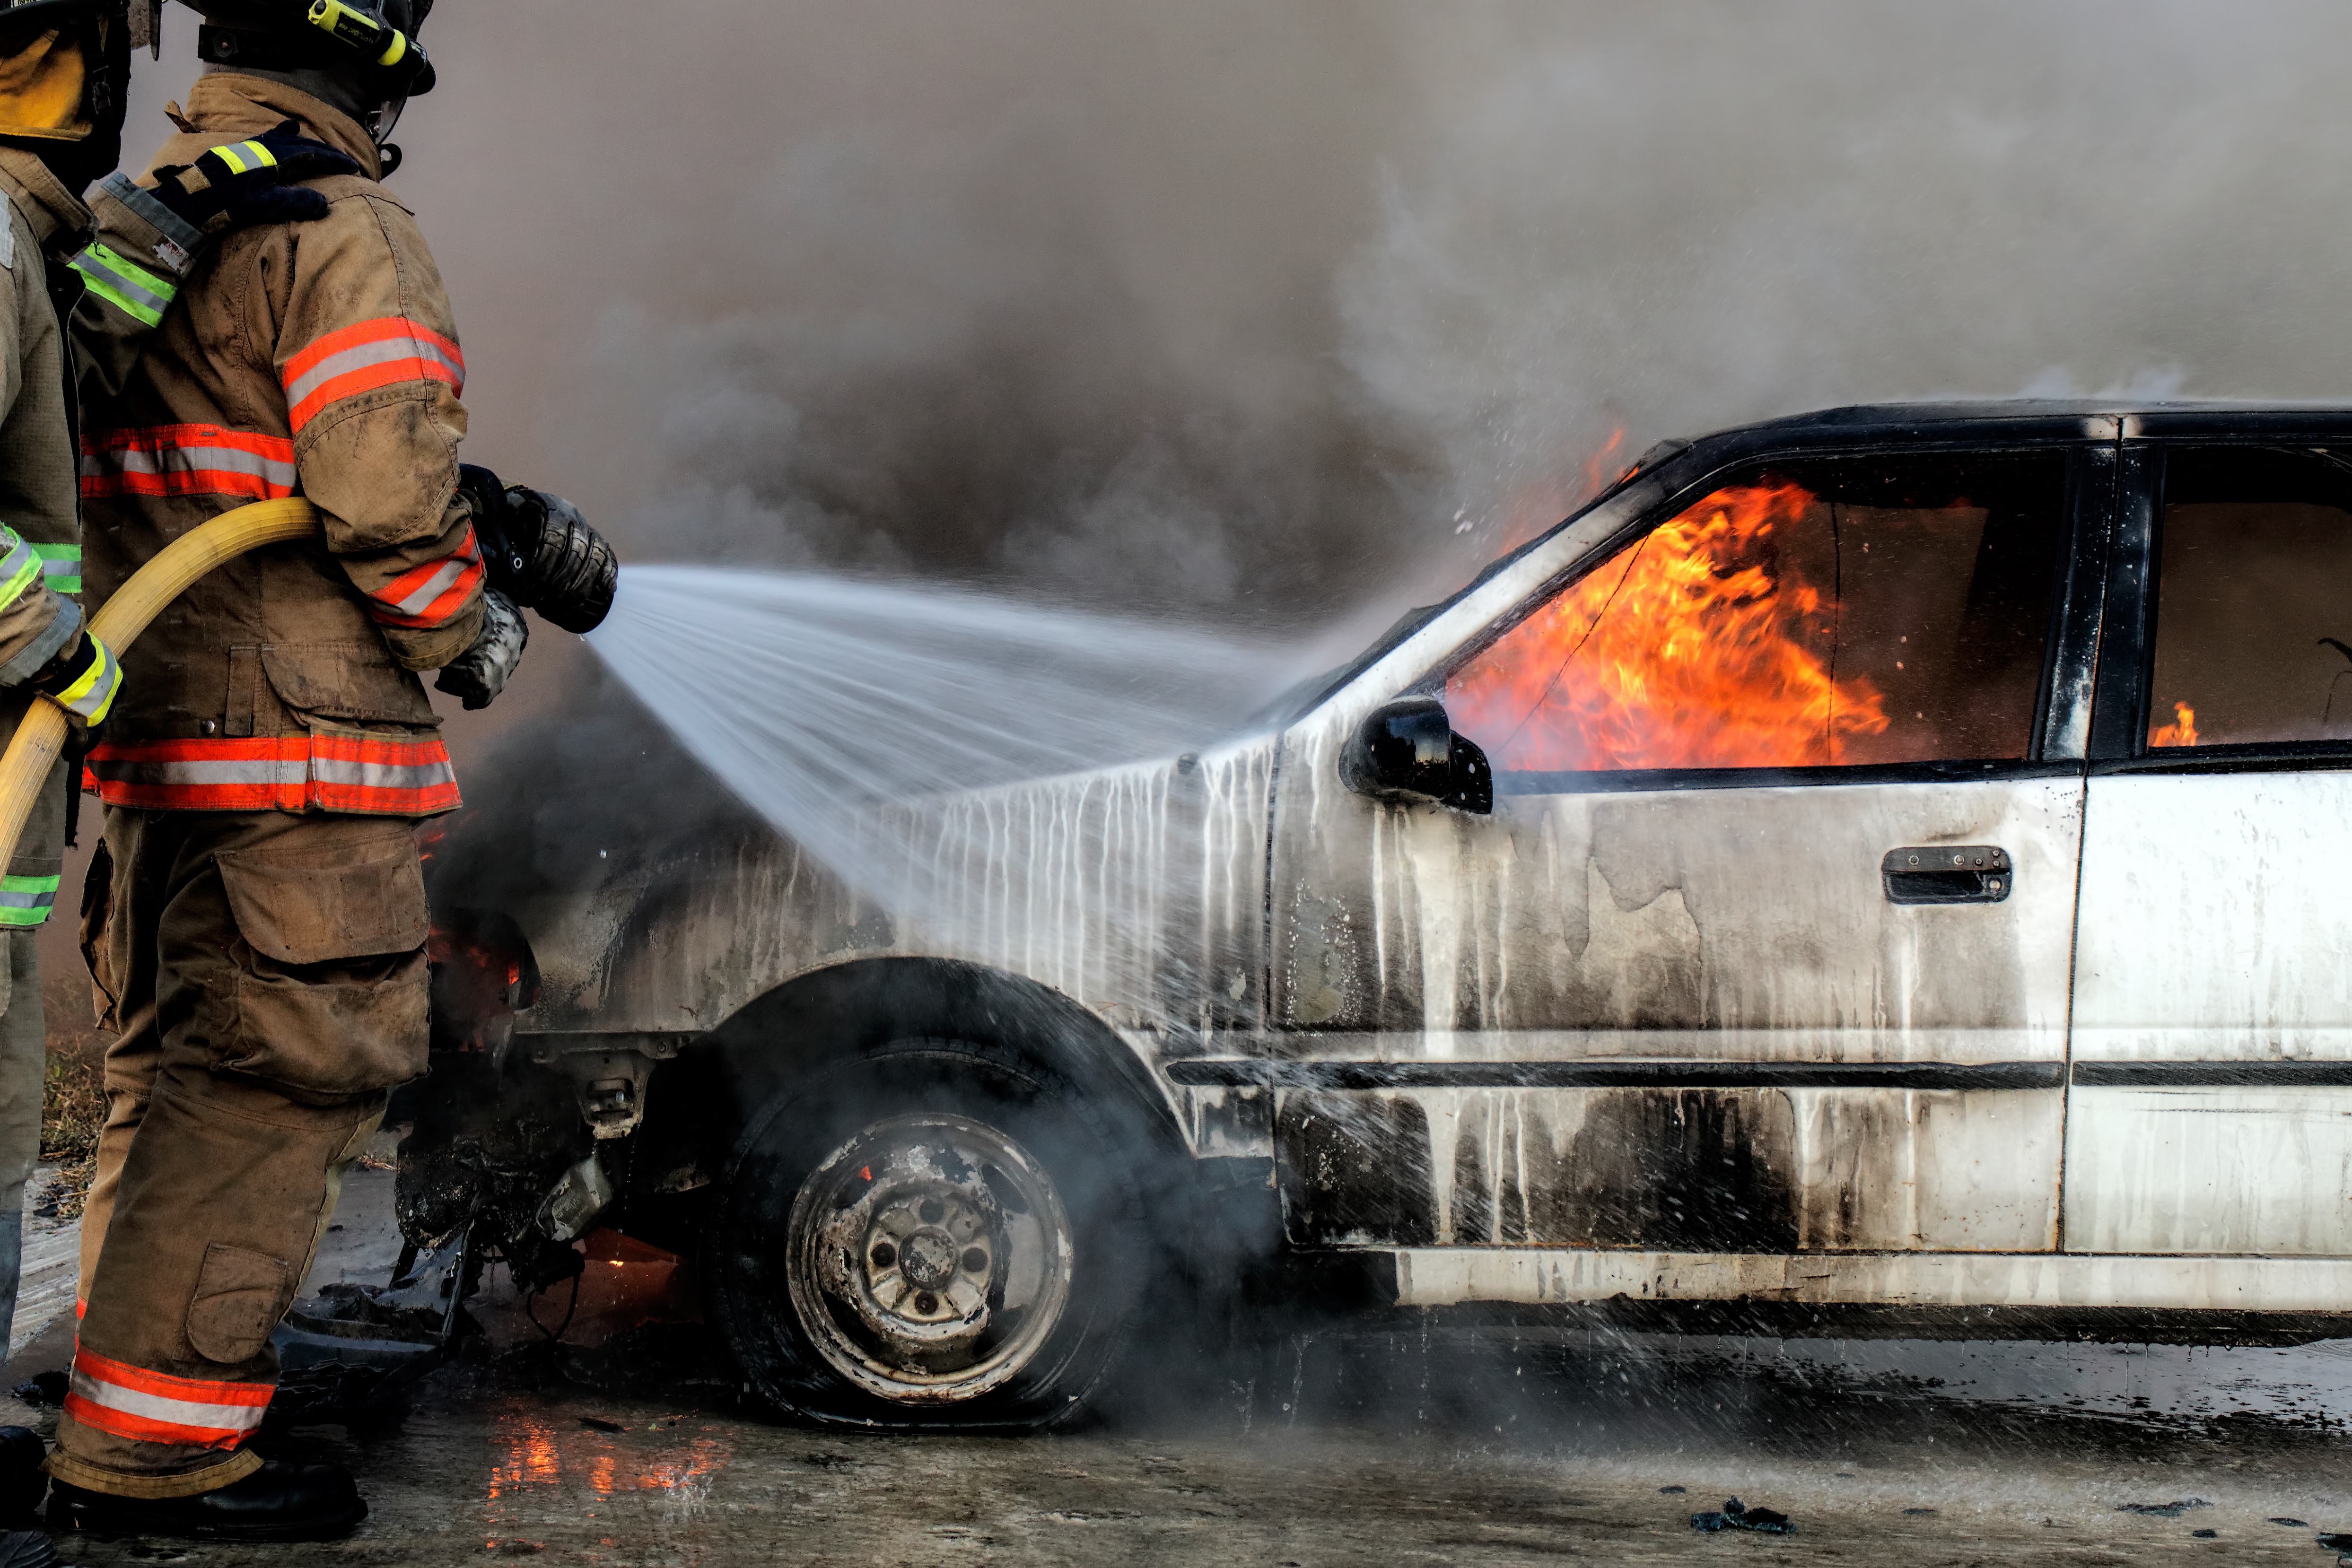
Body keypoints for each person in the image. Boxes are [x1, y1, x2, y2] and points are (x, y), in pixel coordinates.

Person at [47, 0, 611, 1541]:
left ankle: (122, 1391)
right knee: (268, 1097)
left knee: (168, 1086)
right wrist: (470, 623)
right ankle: (157, 1449)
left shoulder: (130, 220)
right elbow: (377, 498)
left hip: (167, 744)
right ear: (377, 52)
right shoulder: (340, 227)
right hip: (301, 763)